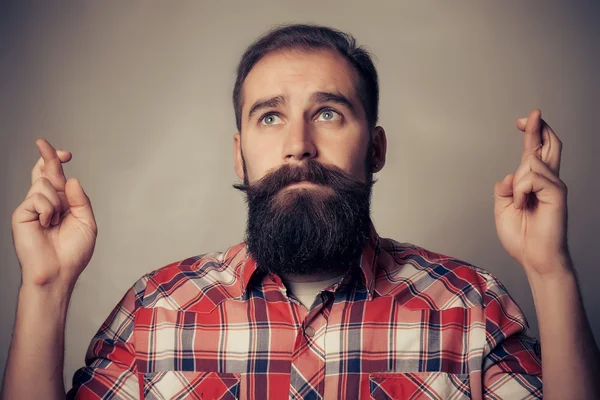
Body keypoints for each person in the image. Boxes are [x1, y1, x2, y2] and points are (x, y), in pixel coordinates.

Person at [2, 24, 599, 400]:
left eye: (330, 113)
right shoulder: (155, 310)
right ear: (240, 155)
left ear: (377, 148)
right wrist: (46, 287)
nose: (298, 144)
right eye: (270, 117)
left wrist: (551, 271)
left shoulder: (472, 307)